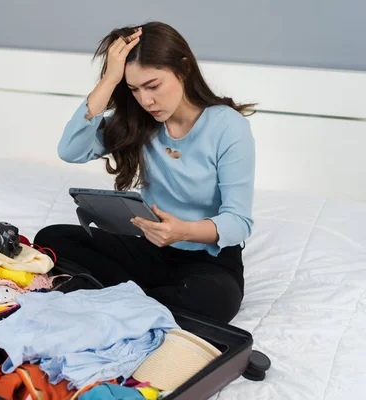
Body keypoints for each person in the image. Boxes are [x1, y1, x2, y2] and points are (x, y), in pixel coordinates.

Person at [34, 21, 256, 323]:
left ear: (184, 68)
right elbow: (70, 150)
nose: (146, 100)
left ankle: (116, 295)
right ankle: (139, 300)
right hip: (148, 248)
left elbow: (239, 222)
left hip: (209, 260)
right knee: (51, 238)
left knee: (213, 299)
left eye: (153, 86)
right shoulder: (136, 120)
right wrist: (110, 79)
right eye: (134, 89)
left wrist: (183, 231)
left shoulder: (228, 126)